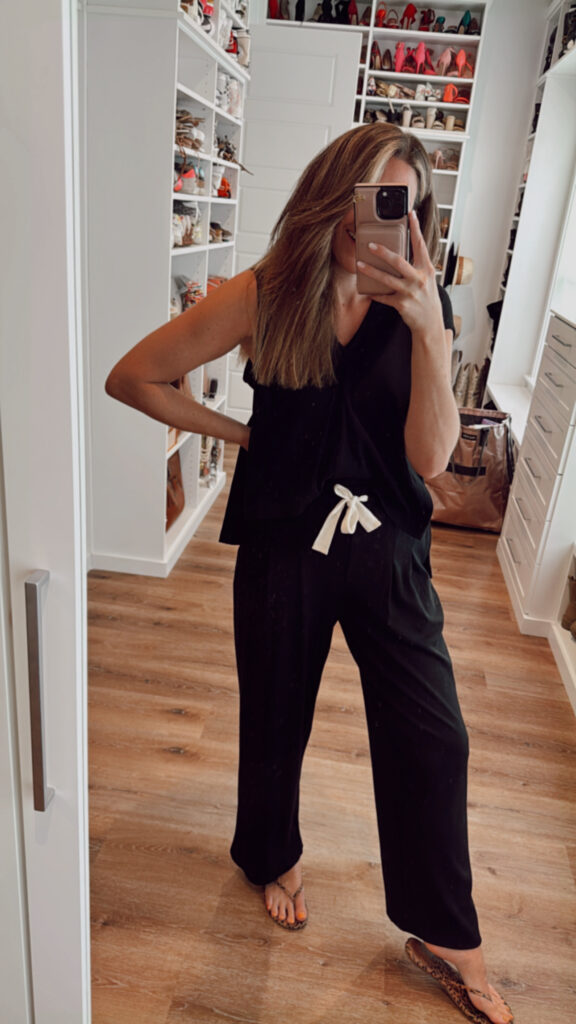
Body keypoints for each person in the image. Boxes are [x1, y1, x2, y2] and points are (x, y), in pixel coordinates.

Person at [106, 122, 513, 1024]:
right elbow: (134, 377)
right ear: (333, 194)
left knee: (436, 736)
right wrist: (242, 435)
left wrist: (430, 333)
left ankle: (446, 934)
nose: (376, 221)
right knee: (274, 714)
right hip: (284, 539)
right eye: (368, 196)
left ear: (415, 220)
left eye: (399, 205)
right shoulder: (269, 291)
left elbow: (431, 459)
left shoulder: (424, 306)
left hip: (387, 545)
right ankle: (271, 856)